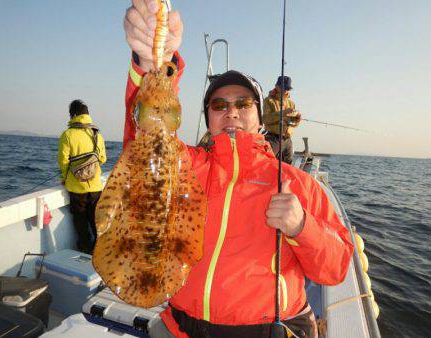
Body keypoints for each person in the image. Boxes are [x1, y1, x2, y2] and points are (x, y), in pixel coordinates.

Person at [122, 1, 353, 337]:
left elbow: (336, 269)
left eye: (243, 103)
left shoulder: (297, 184)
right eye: (219, 104)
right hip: (181, 326)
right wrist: (153, 62)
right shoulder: (185, 165)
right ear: (210, 119)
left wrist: (301, 226)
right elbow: (145, 139)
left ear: (260, 120)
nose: (231, 111)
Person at [58, 99, 106, 254]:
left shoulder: (67, 134)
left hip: (76, 187)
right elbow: (103, 158)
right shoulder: (97, 134)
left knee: (80, 219)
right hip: (96, 187)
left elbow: (63, 161)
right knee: (96, 220)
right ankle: (100, 250)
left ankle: (85, 248)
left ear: (74, 115)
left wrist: (64, 177)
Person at [263, 76, 301, 164]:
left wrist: (297, 119)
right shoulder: (268, 101)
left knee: (288, 166)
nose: (286, 91)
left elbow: (293, 124)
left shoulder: (291, 103)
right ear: (277, 86)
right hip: (273, 139)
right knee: (267, 164)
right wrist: (283, 113)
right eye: (284, 88)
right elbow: (265, 119)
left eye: (287, 89)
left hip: (287, 140)